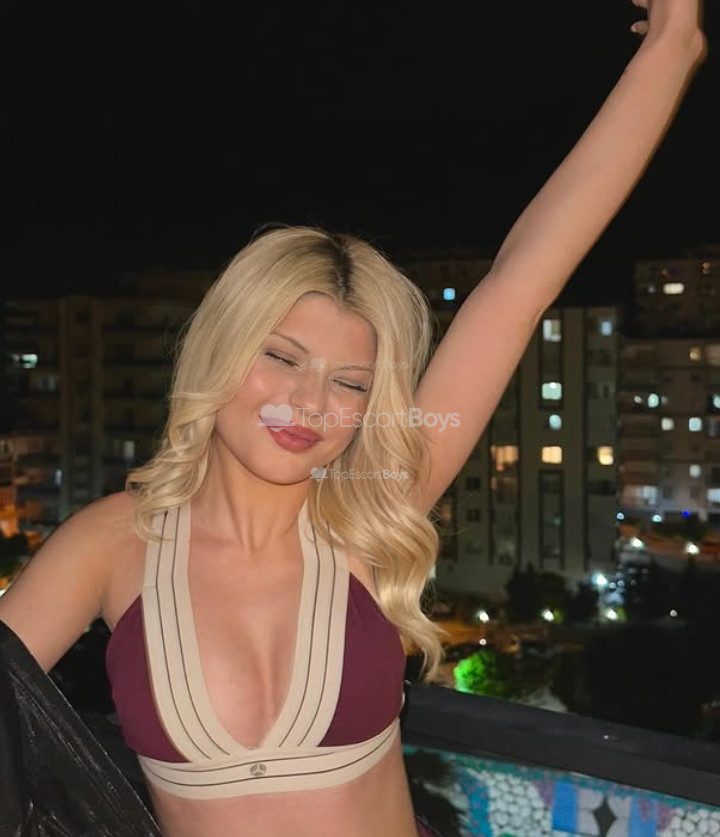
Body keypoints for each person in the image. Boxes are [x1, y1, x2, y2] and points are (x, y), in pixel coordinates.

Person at [0, 2, 707, 835]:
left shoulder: (373, 503)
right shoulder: (109, 544)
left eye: (350, 382)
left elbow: (520, 282)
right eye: (282, 356)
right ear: (219, 350)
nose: (310, 404)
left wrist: (672, 45)